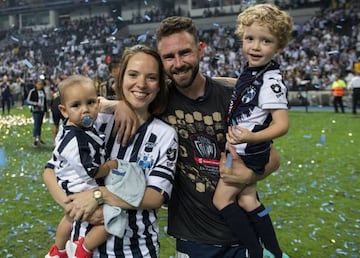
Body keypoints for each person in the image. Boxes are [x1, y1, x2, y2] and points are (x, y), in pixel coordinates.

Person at [109, 16, 282, 258]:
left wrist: (250, 174)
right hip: (192, 239)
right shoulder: (159, 102)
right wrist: (121, 105)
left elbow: (272, 158)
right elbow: (132, 96)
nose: (178, 63)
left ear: (201, 50)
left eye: (185, 53)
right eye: (169, 57)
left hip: (240, 234)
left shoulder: (230, 99)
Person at [43, 44, 178, 257]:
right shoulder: (95, 121)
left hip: (135, 250)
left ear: (160, 85)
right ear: (121, 77)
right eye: (133, 74)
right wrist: (72, 206)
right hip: (79, 246)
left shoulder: (164, 134)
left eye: (151, 77)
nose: (141, 84)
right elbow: (50, 170)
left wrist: (99, 195)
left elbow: (154, 197)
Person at [212, 4, 291, 258]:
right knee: (248, 201)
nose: (256, 46)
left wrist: (251, 136)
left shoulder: (271, 80)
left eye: (265, 41)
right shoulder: (255, 70)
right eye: (250, 38)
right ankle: (275, 252)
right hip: (242, 146)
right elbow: (245, 86)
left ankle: (255, 252)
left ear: (278, 47)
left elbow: (282, 125)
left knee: (221, 201)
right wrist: (219, 82)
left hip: (247, 149)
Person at [44, 74, 121, 258]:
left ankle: (58, 250)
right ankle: (84, 249)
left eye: (91, 103)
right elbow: (93, 171)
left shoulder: (73, 126)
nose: (85, 110)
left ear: (99, 102)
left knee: (69, 218)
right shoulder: (78, 140)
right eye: (76, 105)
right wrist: (110, 165)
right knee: (112, 219)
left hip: (69, 183)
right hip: (83, 186)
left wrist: (112, 105)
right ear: (63, 110)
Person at [26, 77, 47, 146]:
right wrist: (36, 104)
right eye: (39, 84)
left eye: (41, 84)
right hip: (36, 110)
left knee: (40, 124)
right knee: (36, 124)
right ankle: (34, 138)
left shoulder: (43, 91)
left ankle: (39, 137)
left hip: (42, 110)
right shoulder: (32, 91)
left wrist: (46, 110)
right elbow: (28, 101)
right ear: (36, 84)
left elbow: (45, 101)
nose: (40, 86)